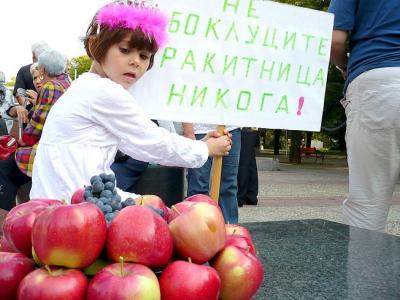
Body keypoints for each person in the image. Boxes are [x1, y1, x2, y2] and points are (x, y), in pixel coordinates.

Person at [30, 1, 232, 202]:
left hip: (59, 201)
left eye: (144, 56)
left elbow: (134, 144)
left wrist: (198, 145)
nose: (136, 61)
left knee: (151, 205)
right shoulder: (103, 91)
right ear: (95, 45)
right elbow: (152, 141)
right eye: (125, 50)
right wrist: (205, 150)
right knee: (156, 211)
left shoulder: (86, 86)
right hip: (75, 209)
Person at [329, 0, 400, 231]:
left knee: (367, 204)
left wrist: (345, 65)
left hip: (377, 81)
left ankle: (363, 268)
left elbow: (334, 42)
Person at [0, 50, 70, 211]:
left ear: (44, 69)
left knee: (4, 169)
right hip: (61, 148)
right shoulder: (67, 83)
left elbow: (36, 128)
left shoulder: (51, 87)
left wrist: (20, 143)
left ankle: (5, 225)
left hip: (49, 152)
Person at [183, 123, 241, 223]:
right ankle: (198, 227)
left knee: (229, 184)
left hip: (230, 127)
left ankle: (229, 228)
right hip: (200, 128)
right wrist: (188, 131)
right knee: (198, 186)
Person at [13, 41, 50, 106]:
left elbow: (19, 94)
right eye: (35, 78)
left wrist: (28, 108)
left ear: (33, 55)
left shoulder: (23, 70)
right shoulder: (54, 69)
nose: (38, 81)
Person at [237, 127, 258, 206]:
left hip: (242, 127)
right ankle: (250, 195)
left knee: (244, 163)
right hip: (250, 128)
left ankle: (240, 196)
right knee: (249, 162)